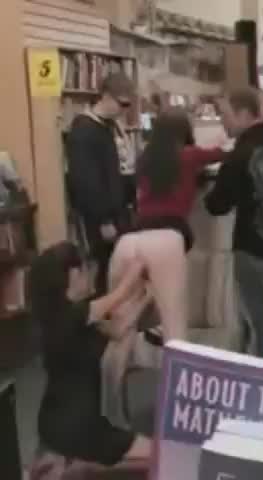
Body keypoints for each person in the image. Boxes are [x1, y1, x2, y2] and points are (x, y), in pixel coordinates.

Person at [29, 242, 151, 466]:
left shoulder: (68, 317)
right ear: (73, 274)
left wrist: (146, 297)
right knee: (158, 452)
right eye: (87, 267)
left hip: (58, 421)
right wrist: (140, 263)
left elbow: (118, 329)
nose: (92, 273)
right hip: (79, 427)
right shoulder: (72, 314)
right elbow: (119, 295)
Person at [205, 87, 263, 358]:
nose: (222, 122)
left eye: (225, 115)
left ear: (243, 114)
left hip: (252, 248)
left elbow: (217, 205)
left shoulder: (239, 154)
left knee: (261, 323)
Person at [66, 73, 137, 292]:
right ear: (106, 96)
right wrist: (104, 219)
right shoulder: (84, 128)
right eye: (122, 104)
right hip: (101, 217)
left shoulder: (111, 126)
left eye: (128, 105)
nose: (124, 110)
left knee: (120, 268)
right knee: (105, 270)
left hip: (120, 210)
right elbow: (86, 180)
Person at [135, 108, 225, 250]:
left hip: (143, 223)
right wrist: (220, 142)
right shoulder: (189, 154)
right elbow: (219, 154)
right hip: (174, 224)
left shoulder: (145, 156)